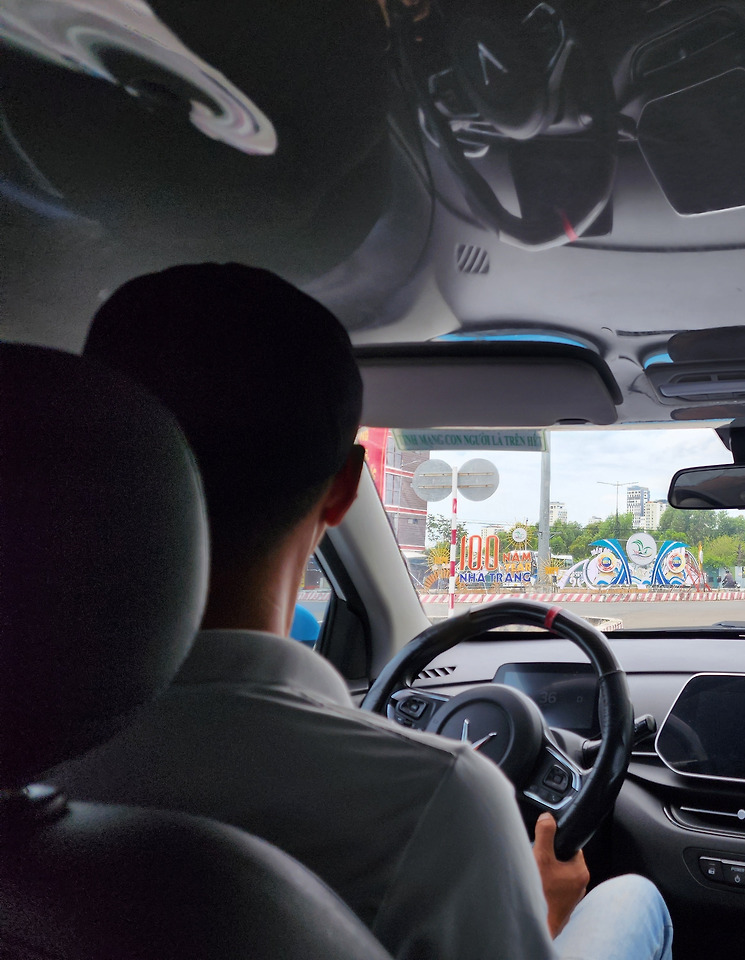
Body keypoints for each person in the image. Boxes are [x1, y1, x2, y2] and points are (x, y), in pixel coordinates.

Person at [52, 263, 673, 960]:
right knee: (632, 898)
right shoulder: (438, 799)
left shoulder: (34, 760)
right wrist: (545, 917)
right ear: (345, 490)